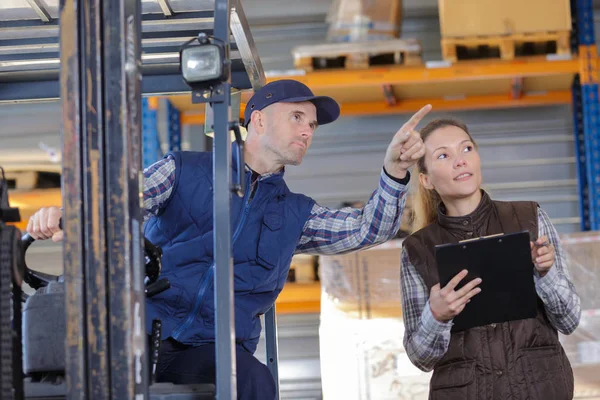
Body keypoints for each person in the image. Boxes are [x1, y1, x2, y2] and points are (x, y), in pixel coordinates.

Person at [27, 79, 432, 400]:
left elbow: (367, 229)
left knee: (254, 382)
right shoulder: (183, 169)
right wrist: (68, 215)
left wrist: (394, 172)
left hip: (213, 350)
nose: (308, 131)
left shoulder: (297, 213)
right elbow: (116, 201)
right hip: (141, 332)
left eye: (312, 125)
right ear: (257, 120)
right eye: (297, 118)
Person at [400, 118, 581, 399]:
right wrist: (436, 316)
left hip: (540, 388)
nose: (460, 161)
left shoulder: (529, 219)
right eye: (443, 155)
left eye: (467, 149)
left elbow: (569, 320)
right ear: (426, 180)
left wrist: (545, 274)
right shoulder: (417, 250)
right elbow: (420, 357)